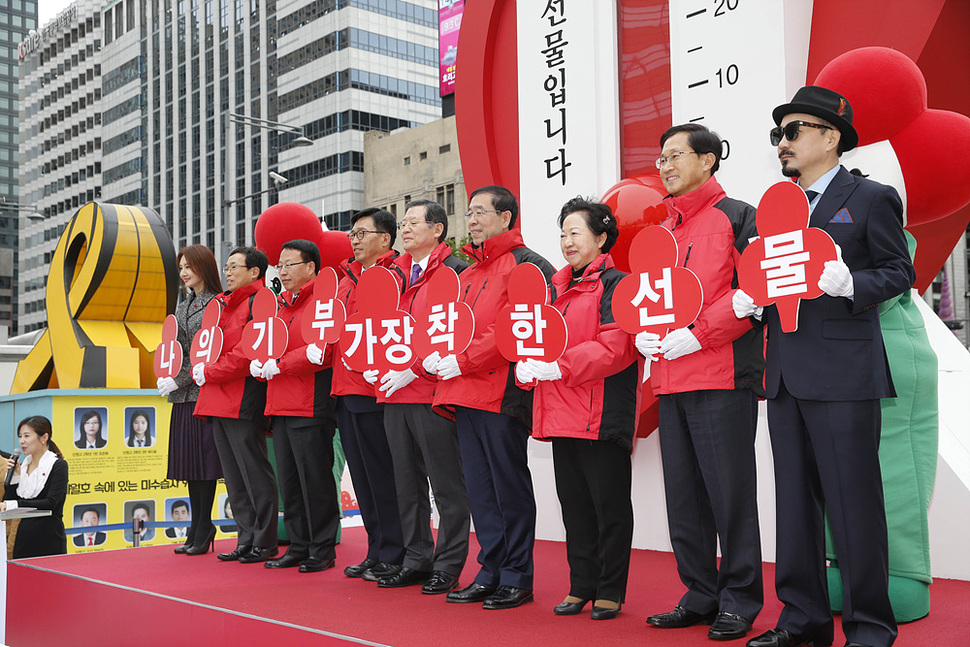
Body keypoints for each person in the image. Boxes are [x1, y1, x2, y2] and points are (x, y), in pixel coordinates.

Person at [735, 86, 914, 647]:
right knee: (794, 503)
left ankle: (869, 627)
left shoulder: (870, 198)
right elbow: (770, 279)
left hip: (843, 373)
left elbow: (897, 271)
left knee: (852, 501)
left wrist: (851, 284)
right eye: (778, 135)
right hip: (784, 373)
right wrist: (754, 300)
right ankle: (803, 621)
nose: (782, 143)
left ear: (830, 136)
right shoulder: (774, 210)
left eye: (793, 131)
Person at [638, 123, 765, 641]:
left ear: (709, 160)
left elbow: (755, 291)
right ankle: (700, 592)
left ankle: (739, 600)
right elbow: (648, 301)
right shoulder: (661, 231)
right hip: (670, 380)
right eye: (660, 157)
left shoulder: (739, 216)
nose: (664, 166)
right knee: (684, 498)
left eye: (675, 156)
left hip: (720, 376)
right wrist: (643, 335)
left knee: (729, 495)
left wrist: (699, 334)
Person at [429, 185, 554, 610]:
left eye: (481, 211)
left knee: (508, 488)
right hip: (463, 396)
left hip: (502, 395)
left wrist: (462, 360)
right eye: (469, 212)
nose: (473, 218)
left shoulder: (529, 265)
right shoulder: (468, 273)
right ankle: (490, 570)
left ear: (506, 217)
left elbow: (517, 331)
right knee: (480, 491)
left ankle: (517, 576)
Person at [516, 197, 638, 620]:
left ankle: (610, 589)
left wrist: (558, 365)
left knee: (610, 508)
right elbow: (534, 340)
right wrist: (529, 368)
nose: (567, 241)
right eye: (563, 232)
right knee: (575, 507)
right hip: (560, 411)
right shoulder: (552, 288)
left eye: (576, 232)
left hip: (601, 413)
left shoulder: (618, 284)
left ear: (601, 238)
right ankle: (581, 585)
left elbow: (616, 346)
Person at [375, 199, 470, 594]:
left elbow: (455, 332)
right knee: (406, 483)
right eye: (403, 222)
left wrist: (416, 367)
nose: (405, 228)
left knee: (446, 484)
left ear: (438, 230)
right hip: (394, 394)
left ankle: (447, 564)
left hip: (433, 392)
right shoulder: (393, 274)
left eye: (414, 222)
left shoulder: (456, 272)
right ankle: (417, 558)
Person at [255, 239, 340, 574]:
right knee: (288, 481)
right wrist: (261, 363)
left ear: (311, 268)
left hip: (310, 404)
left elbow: (322, 351)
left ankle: (322, 547)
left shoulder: (322, 303)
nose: (283, 271)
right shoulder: (279, 305)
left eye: (291, 264)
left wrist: (282, 363)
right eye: (280, 265)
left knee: (315, 480)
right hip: (280, 403)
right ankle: (299, 544)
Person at [331, 207, 407, 582]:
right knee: (361, 476)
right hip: (345, 389)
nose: (355, 241)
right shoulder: (346, 279)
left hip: (378, 391)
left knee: (384, 474)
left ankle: (396, 550)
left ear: (385, 239)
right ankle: (377, 548)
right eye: (353, 235)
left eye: (363, 234)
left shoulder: (398, 275)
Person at [194, 247, 279, 564]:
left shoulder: (260, 302)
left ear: (255, 272)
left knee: (254, 470)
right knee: (232, 474)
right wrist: (199, 369)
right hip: (216, 397)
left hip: (243, 396)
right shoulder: (220, 305)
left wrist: (210, 372)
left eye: (234, 267)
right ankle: (246, 537)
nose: (227, 272)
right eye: (226, 267)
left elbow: (247, 353)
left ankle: (265, 540)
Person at [158, 244, 224, 555]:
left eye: (189, 267)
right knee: (188, 465)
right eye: (181, 268)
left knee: (205, 465)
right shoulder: (183, 306)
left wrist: (179, 377)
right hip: (183, 396)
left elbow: (207, 353)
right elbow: (179, 351)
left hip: (204, 393)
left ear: (204, 267)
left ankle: (204, 525)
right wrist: (167, 375)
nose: (184, 273)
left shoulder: (217, 304)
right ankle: (198, 525)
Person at [2, 416, 68, 558]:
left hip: (49, 539)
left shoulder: (58, 465)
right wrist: (15, 476)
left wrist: (12, 504)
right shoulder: (24, 465)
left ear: (44, 437)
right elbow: (10, 499)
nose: (21, 441)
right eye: (20, 436)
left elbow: (51, 503)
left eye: (26, 436)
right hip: (24, 538)